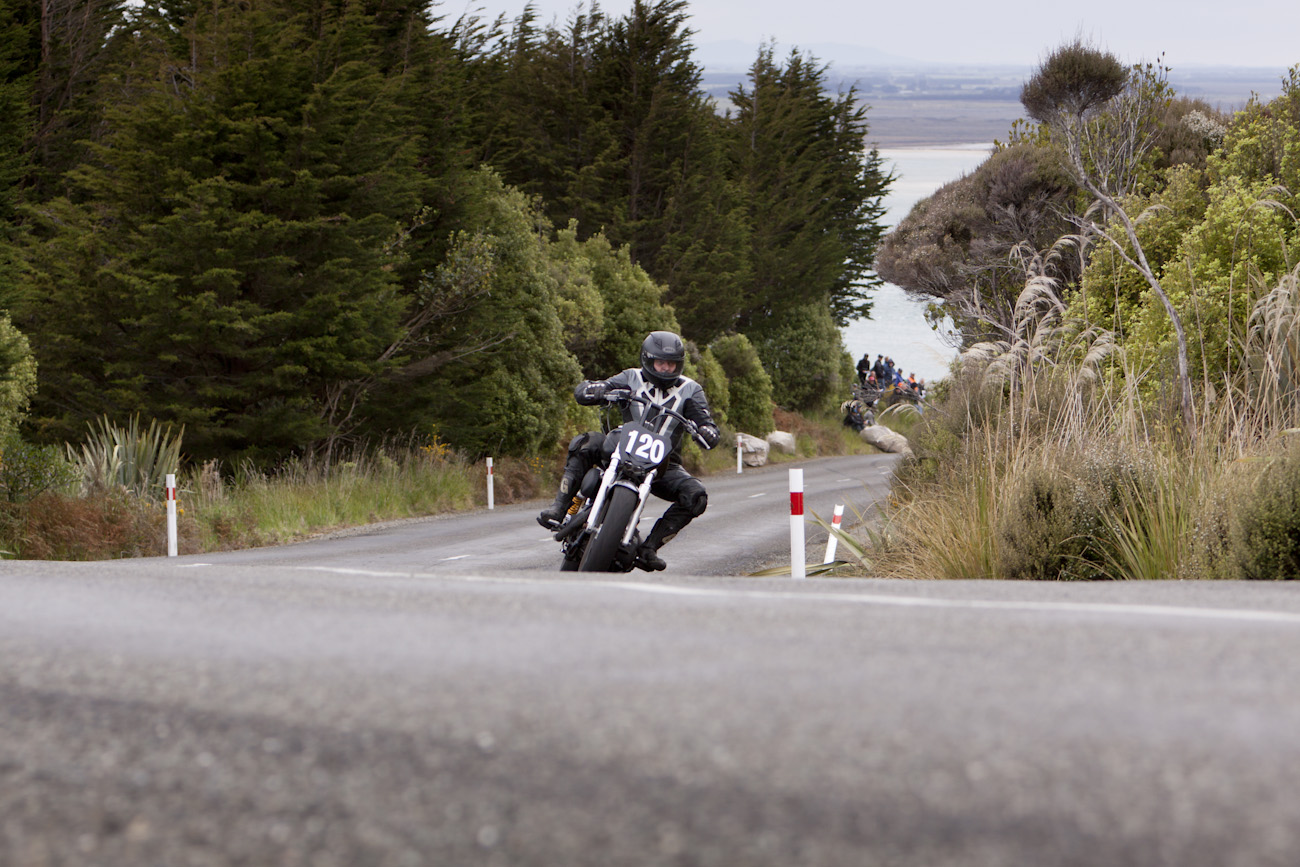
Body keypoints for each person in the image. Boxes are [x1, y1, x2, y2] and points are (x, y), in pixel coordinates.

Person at [537, 331, 721, 571]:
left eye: (672, 364)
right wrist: (594, 389)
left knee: (696, 496)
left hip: (662, 464)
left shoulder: (691, 389)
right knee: (585, 443)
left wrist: (707, 431)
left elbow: (707, 424)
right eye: (661, 362)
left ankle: (649, 548)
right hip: (620, 448)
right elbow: (596, 388)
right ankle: (559, 508)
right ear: (648, 360)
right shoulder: (631, 377)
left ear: (680, 364)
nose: (666, 368)